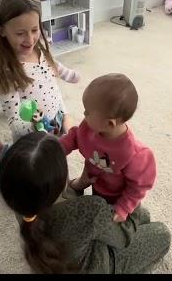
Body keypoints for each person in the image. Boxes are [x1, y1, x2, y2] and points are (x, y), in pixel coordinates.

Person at [0, 131, 171, 274]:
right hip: (95, 266)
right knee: (160, 232)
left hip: (66, 252)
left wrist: (78, 185)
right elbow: (122, 239)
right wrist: (132, 207)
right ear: (60, 179)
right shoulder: (91, 209)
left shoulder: (18, 194)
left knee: (140, 218)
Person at [0, 0, 80, 189]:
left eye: (34, 30)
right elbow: (15, 122)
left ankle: (3, 149)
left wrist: (65, 114)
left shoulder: (39, 50)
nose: (30, 39)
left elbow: (53, 82)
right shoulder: (3, 73)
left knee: (51, 170)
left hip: (53, 126)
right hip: (30, 134)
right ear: (2, 31)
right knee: (26, 181)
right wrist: (40, 127)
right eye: (20, 33)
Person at [59, 73, 156, 223]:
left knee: (114, 222)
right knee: (95, 206)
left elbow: (138, 187)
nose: (84, 114)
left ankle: (138, 216)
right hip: (95, 183)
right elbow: (74, 137)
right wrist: (57, 149)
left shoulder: (135, 155)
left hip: (118, 196)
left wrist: (124, 207)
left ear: (109, 124)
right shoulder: (89, 127)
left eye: (88, 112)